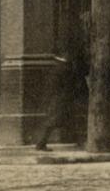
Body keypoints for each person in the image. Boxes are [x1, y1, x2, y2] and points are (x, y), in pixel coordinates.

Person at [34, 22, 90, 151]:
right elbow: (70, 81)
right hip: (63, 98)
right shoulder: (63, 67)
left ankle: (78, 142)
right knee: (55, 119)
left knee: (67, 119)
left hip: (65, 97)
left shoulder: (60, 66)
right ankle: (41, 143)